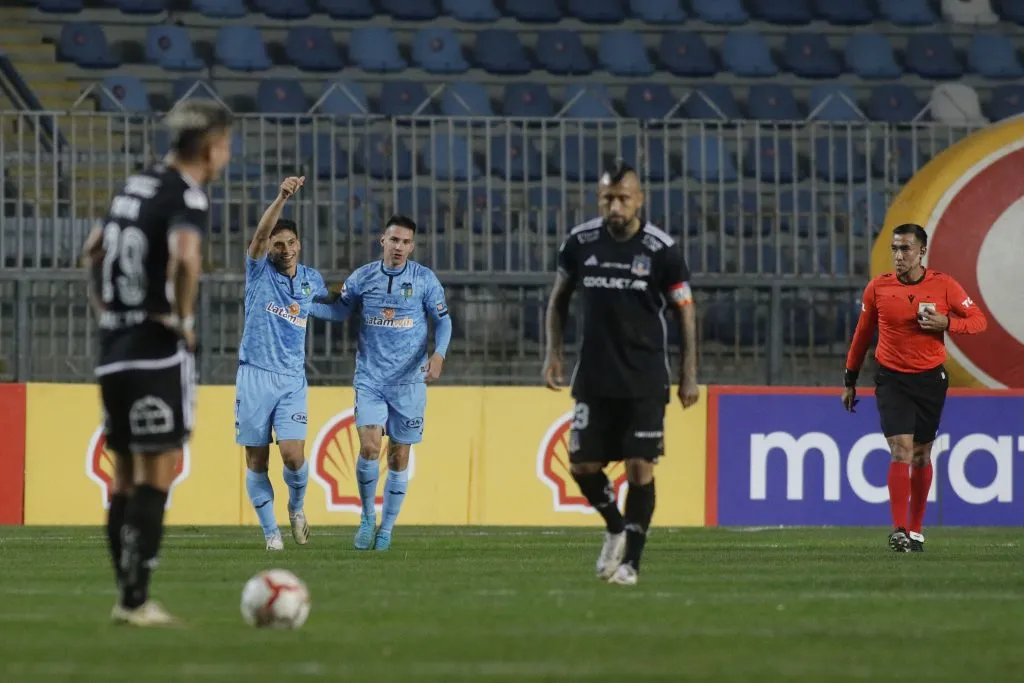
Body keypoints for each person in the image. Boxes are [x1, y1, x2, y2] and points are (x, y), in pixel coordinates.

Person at [84, 100, 233, 626]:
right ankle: (136, 600)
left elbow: (94, 249)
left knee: (123, 473)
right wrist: (183, 319)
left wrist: (108, 309)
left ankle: (128, 596)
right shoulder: (186, 194)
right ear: (213, 147)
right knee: (156, 470)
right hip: (154, 345)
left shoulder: (135, 185)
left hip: (112, 348)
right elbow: (186, 256)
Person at [542, 162, 700, 587]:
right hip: (594, 378)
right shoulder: (580, 242)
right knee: (582, 465)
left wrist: (689, 374)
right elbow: (558, 300)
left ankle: (632, 562)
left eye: (623, 198)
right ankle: (614, 526)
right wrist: (553, 352)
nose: (615, 205)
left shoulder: (662, 250)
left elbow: (685, 314)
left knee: (639, 468)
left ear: (639, 199)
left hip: (644, 379)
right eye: (608, 198)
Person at [310, 214, 452, 551]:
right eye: (394, 240)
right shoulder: (362, 278)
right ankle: (366, 517)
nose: (399, 247)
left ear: (412, 246)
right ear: (382, 241)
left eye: (406, 242)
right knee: (370, 446)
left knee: (399, 457)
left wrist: (439, 354)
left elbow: (443, 322)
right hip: (371, 378)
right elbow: (340, 312)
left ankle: (386, 529)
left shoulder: (424, 280)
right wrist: (305, 309)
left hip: (410, 382)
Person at [843, 223, 987, 553]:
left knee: (922, 454)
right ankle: (898, 529)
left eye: (905, 249)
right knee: (901, 449)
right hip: (892, 378)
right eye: (895, 249)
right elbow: (862, 336)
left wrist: (947, 323)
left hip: (930, 379)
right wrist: (849, 380)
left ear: (922, 251)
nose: (898, 255)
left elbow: (978, 321)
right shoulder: (878, 288)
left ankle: (916, 530)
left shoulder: (944, 286)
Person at [235, 176, 340, 551]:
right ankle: (271, 535)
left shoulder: (311, 280)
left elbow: (331, 308)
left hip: (292, 379)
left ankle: (296, 508)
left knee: (294, 455)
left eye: (290, 243)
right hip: (255, 375)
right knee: (257, 459)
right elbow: (259, 238)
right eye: (277, 244)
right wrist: (281, 196)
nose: (284, 249)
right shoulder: (258, 271)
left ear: (299, 245)